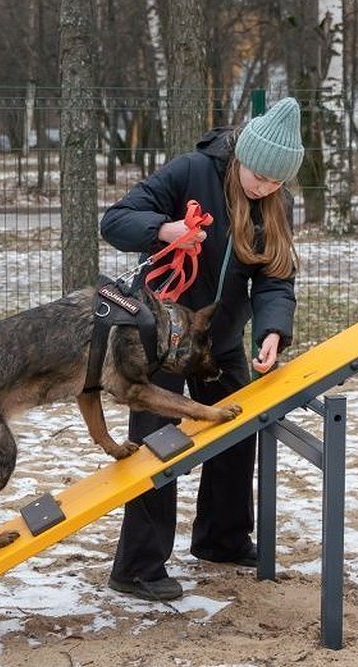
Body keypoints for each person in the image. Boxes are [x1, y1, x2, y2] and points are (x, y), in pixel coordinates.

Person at [99, 97, 304, 601]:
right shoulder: (192, 172)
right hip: (163, 333)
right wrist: (163, 229)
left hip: (221, 339)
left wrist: (272, 330)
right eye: (259, 176)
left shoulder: (277, 204)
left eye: (276, 182)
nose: (264, 188)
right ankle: (138, 567)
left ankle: (221, 539)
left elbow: (275, 279)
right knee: (157, 444)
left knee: (237, 432)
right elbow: (115, 220)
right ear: (242, 156)